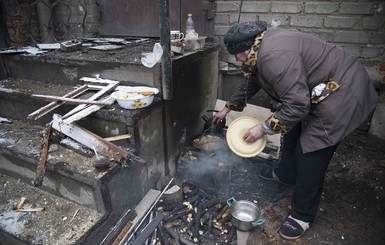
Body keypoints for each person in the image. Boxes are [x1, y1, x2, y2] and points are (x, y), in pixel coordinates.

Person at [213, 21, 378, 240]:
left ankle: (302, 215)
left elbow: (298, 105)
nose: (236, 60)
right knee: (291, 130)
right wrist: (227, 108)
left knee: (310, 150)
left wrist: (262, 129)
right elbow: (253, 80)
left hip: (342, 90)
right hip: (319, 89)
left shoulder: (272, 57)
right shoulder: (260, 47)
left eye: (237, 55)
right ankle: (285, 174)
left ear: (247, 48)